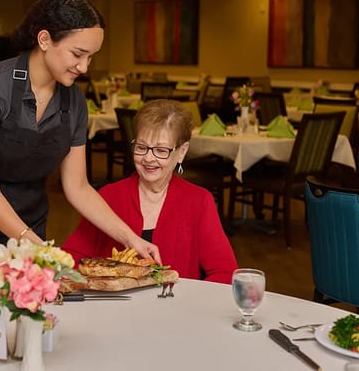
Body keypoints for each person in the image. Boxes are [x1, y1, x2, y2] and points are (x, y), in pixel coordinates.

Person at [0, 0, 160, 274]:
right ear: (44, 40)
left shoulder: (74, 101)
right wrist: (37, 248)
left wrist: (131, 239)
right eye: (77, 54)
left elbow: (78, 187)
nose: (84, 67)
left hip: (30, 222)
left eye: (91, 57)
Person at [62, 100, 237, 283]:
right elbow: (71, 259)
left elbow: (225, 273)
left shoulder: (199, 201)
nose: (148, 158)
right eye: (141, 147)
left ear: (182, 152)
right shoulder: (108, 197)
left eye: (161, 150)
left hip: (175, 308)